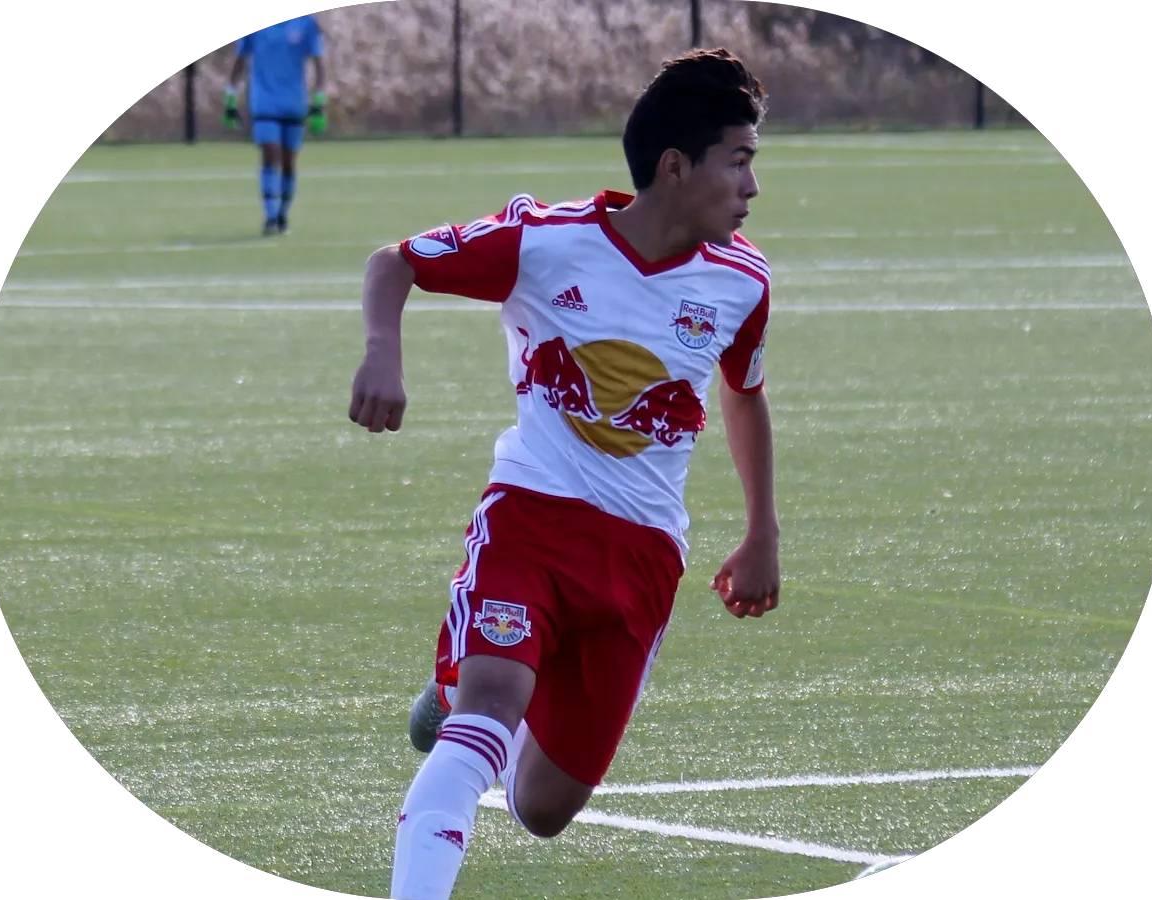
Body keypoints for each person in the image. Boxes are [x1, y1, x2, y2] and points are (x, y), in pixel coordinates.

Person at [349, 47, 781, 900]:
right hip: (531, 520)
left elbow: (743, 393)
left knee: (543, 808)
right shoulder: (546, 242)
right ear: (675, 167)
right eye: (739, 162)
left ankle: (457, 693)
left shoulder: (743, 281)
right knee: (487, 715)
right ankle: (467, 710)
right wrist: (381, 354)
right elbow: (393, 263)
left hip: (643, 556)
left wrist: (762, 528)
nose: (752, 187)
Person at [224, 14, 327, 236]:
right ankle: (270, 216)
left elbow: (319, 63)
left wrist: (319, 102)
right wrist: (230, 96)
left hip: (294, 103)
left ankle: (282, 214)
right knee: (270, 153)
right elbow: (240, 60)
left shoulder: (306, 23)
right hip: (264, 102)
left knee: (289, 161)